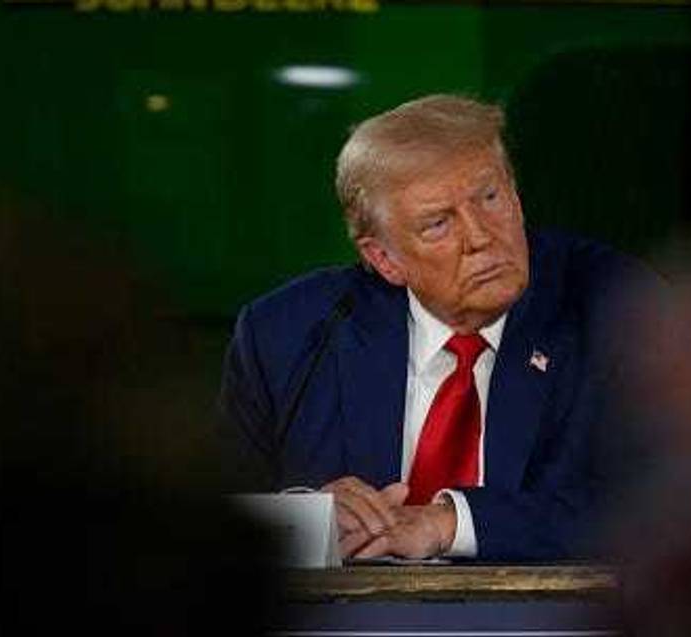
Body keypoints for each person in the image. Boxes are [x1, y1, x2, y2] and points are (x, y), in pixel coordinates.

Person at [219, 94, 648, 561]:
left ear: (516, 197)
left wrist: (451, 521)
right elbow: (201, 532)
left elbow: (664, 511)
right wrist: (310, 522)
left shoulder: (617, 311)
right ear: (384, 259)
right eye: (438, 224)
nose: (482, 237)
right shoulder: (287, 335)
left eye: (489, 197)